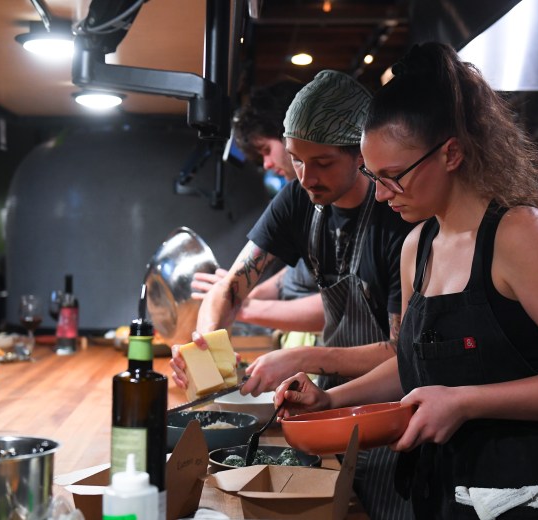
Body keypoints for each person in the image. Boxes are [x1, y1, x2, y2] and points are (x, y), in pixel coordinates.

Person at [276, 42, 538, 519]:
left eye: (394, 176)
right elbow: (413, 364)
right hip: (445, 495)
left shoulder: (519, 234)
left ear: (452, 154)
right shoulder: (417, 246)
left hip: (531, 498)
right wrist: (329, 399)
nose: (381, 195)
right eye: (374, 177)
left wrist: (465, 403)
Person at [172, 70, 415, 520]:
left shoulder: (396, 221)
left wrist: (303, 359)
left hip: (391, 413)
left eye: (322, 163)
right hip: (325, 407)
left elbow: (401, 353)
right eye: (298, 160)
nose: (306, 177)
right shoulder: (300, 200)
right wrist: (204, 344)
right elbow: (231, 285)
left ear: (360, 153)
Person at [191, 80, 324, 343]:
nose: (266, 164)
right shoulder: (294, 198)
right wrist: (236, 297)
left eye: (266, 150)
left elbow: (342, 307)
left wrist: (243, 305)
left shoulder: (365, 205)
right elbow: (300, 274)